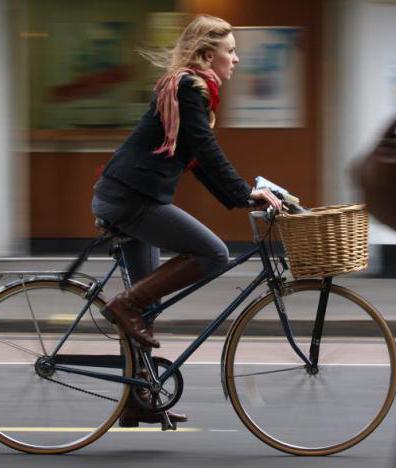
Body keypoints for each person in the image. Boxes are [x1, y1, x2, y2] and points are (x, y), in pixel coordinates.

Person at [91, 15, 282, 427]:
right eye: (230, 51)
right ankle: (123, 307)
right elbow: (206, 150)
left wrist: (240, 195)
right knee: (213, 254)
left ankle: (135, 398)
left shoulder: (189, 89)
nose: (236, 59)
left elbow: (197, 160)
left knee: (148, 303)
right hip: (132, 200)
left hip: (129, 196)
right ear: (207, 53)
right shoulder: (188, 87)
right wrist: (244, 193)